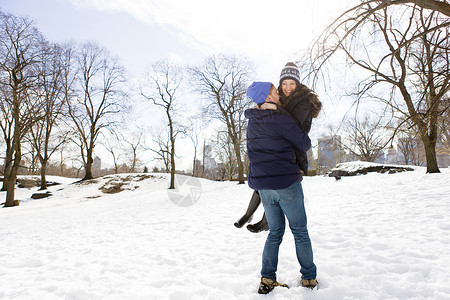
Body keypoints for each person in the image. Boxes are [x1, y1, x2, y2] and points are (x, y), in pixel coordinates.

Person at [245, 81, 318, 294]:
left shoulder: (253, 122)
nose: (278, 92)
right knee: (300, 232)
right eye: (275, 91)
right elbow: (304, 144)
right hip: (286, 183)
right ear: (268, 97)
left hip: (264, 187)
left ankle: (267, 279)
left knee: (275, 232)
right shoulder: (279, 119)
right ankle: (309, 279)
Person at [234, 62, 322, 233]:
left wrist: (275, 109)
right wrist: (262, 110)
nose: (287, 87)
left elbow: (293, 126)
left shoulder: (303, 100)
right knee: (265, 180)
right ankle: (249, 215)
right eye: (284, 83)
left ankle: (264, 221)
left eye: (292, 83)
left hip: (294, 146)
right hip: (281, 144)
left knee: (273, 180)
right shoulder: (280, 96)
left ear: (297, 84)